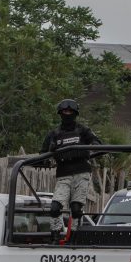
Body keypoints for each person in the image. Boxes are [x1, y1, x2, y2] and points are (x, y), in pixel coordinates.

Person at [40, 99, 102, 237]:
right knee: (55, 208)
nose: (67, 114)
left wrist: (89, 149)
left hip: (82, 172)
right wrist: (50, 154)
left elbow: (97, 143)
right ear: (60, 113)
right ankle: (55, 233)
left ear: (75, 113)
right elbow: (42, 155)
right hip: (63, 174)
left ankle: (74, 234)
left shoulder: (83, 130)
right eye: (64, 111)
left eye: (70, 111)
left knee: (76, 208)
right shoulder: (54, 134)